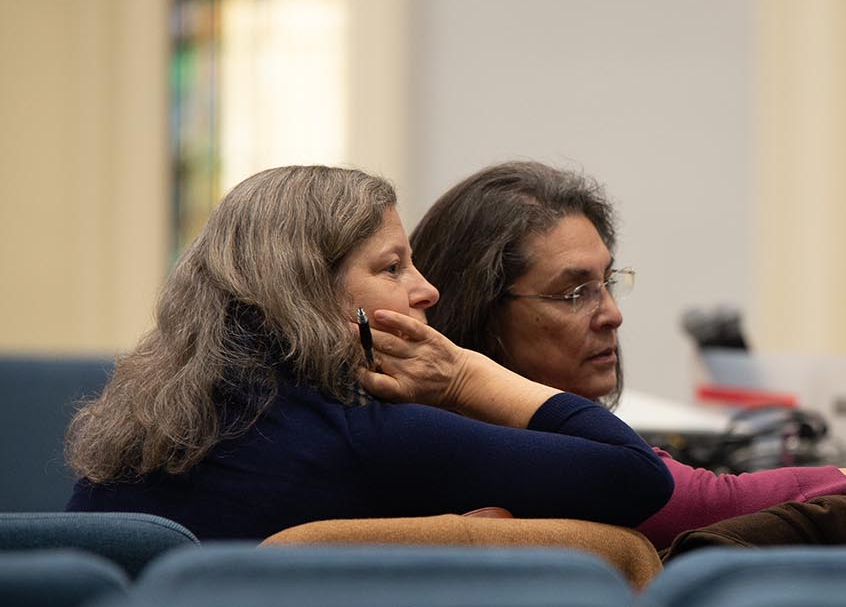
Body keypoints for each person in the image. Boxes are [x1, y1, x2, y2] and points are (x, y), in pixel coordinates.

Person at [408, 161, 846, 550]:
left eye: (608, 282)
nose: (612, 314)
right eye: (575, 292)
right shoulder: (510, 454)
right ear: (480, 310)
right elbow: (711, 502)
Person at [65, 166, 673, 540]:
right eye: (392, 267)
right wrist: (463, 376)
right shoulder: (360, 435)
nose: (426, 289)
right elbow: (636, 477)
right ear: (305, 289)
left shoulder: (140, 428)